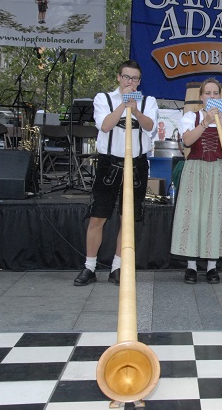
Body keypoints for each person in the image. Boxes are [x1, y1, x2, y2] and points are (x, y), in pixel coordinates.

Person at [74, 60, 158, 286]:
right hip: (109, 163)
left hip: (137, 164)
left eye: (135, 79)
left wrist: (136, 110)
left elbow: (150, 126)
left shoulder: (149, 101)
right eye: (126, 77)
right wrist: (123, 105)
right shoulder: (104, 98)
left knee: (127, 219)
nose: (130, 82)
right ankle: (89, 267)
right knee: (98, 216)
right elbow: (104, 125)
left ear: (140, 81)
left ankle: (118, 267)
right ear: (119, 78)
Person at [170, 78, 222, 284]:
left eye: (215, 93)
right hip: (195, 167)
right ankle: (191, 266)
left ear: (221, 97)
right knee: (193, 215)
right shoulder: (191, 117)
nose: (212, 97)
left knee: (215, 214)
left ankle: (212, 266)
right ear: (201, 97)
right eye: (208, 93)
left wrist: (219, 119)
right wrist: (205, 122)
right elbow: (188, 141)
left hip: (218, 169)